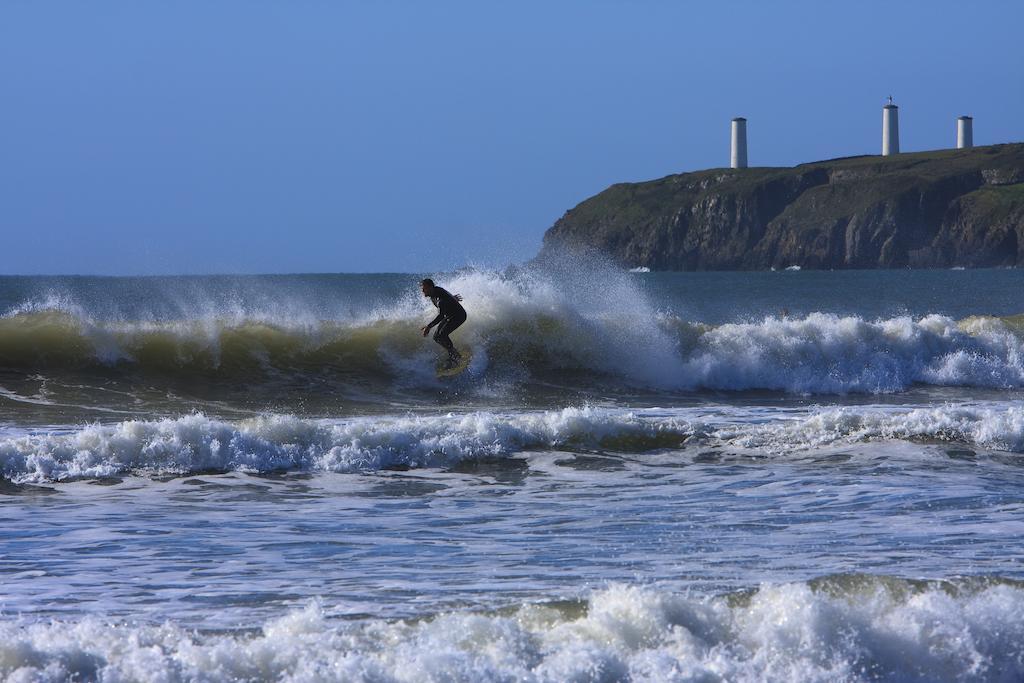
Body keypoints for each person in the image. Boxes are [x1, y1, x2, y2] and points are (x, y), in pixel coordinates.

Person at [420, 278, 466, 364]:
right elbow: (446, 294)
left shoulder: (439, 300)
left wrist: (428, 327)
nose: (422, 291)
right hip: (450, 315)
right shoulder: (436, 290)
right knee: (436, 337)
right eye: (422, 289)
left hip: (459, 316)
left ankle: (454, 356)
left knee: (442, 335)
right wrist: (452, 298)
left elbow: (440, 316)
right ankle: (454, 354)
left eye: (424, 289)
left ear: (430, 287)